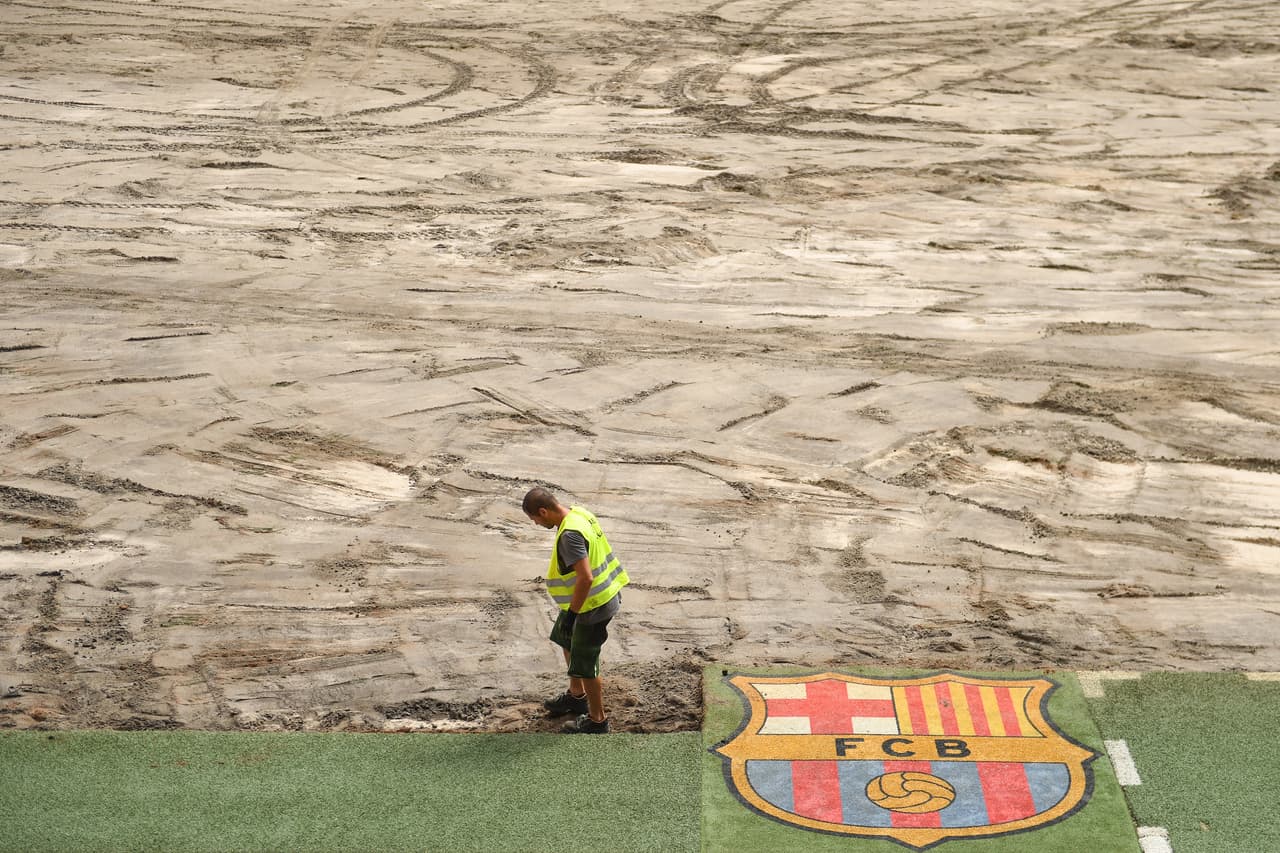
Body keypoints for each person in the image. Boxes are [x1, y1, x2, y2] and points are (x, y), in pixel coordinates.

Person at [522, 487, 629, 734]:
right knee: (565, 637)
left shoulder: (570, 535)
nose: (536, 524)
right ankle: (576, 696)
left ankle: (597, 720)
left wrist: (572, 614)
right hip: (595, 598)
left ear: (543, 511)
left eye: (535, 519)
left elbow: (585, 578)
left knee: (586, 662)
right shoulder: (579, 514)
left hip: (592, 606)